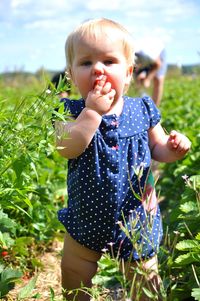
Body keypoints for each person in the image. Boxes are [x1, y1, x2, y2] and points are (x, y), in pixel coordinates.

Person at [54, 18, 191, 301]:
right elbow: (66, 147)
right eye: (86, 62)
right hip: (86, 219)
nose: (98, 69)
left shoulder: (141, 109)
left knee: (145, 281)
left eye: (109, 61)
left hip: (136, 217)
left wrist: (173, 149)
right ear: (70, 75)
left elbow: (158, 147)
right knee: (74, 274)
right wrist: (91, 113)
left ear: (128, 73)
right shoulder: (70, 111)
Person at [134, 38, 167, 106]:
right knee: (139, 79)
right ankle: (140, 105)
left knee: (158, 80)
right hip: (143, 60)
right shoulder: (128, 56)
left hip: (158, 55)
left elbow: (158, 64)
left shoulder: (148, 55)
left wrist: (148, 79)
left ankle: (154, 109)